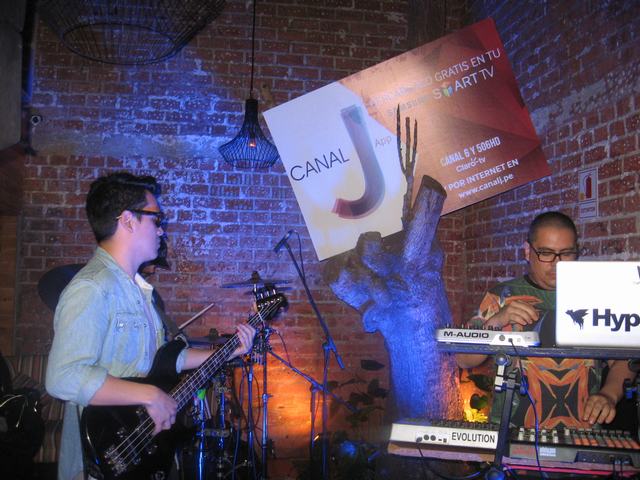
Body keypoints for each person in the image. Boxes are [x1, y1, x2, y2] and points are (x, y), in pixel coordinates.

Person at [45, 172, 256, 480]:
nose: (161, 229)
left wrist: (227, 351)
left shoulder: (140, 291)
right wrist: (151, 396)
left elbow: (164, 360)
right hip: (104, 453)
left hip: (141, 447)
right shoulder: (92, 288)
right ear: (128, 220)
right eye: (156, 219)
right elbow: (62, 377)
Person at [457, 211, 634, 429]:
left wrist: (609, 395)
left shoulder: (595, 297)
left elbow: (624, 359)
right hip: (512, 433)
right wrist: (497, 320)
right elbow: (464, 359)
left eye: (566, 253)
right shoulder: (501, 295)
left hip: (582, 434)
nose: (556, 263)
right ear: (527, 251)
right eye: (546, 253)